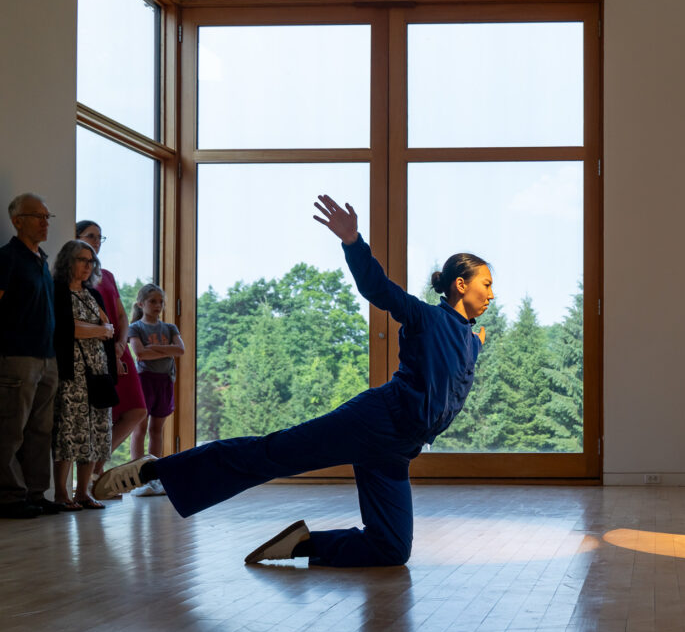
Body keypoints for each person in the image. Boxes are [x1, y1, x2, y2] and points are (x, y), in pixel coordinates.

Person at [96, 196, 493, 567]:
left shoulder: (468, 337)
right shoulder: (426, 317)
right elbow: (378, 289)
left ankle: (301, 543)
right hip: (376, 420)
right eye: (486, 284)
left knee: (392, 548)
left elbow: (451, 380)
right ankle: (156, 471)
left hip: (398, 447)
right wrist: (353, 241)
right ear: (461, 285)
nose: (491, 294)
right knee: (272, 454)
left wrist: (475, 345)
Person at [0, 193, 61, 518]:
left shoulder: (41, 261)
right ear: (17, 220)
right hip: (17, 357)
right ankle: (10, 497)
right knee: (11, 430)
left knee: (41, 430)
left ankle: (36, 494)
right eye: (38, 216)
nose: (44, 222)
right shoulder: (7, 259)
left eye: (47, 216)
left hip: (47, 358)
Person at [76, 220, 148, 485]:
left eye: (100, 238)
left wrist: (121, 342)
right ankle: (92, 477)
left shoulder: (107, 275)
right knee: (101, 413)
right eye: (91, 236)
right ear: (77, 238)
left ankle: (97, 468)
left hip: (120, 348)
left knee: (138, 410)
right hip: (97, 349)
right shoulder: (77, 276)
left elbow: (120, 314)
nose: (96, 241)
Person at [51, 239, 116, 510]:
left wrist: (97, 330)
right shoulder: (58, 292)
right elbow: (67, 329)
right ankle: (61, 494)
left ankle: (83, 493)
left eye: (91, 261)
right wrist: (98, 330)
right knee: (70, 430)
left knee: (96, 431)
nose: (88, 266)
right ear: (68, 261)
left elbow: (109, 328)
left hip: (98, 371)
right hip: (72, 372)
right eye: (82, 260)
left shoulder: (94, 294)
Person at [127, 283, 184, 496]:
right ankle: (137, 477)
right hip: (144, 381)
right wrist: (164, 350)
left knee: (157, 429)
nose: (157, 305)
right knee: (140, 429)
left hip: (164, 381)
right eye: (152, 301)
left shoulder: (170, 328)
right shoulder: (136, 328)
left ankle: (154, 475)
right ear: (141, 304)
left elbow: (180, 349)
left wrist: (154, 348)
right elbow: (140, 353)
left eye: (160, 302)